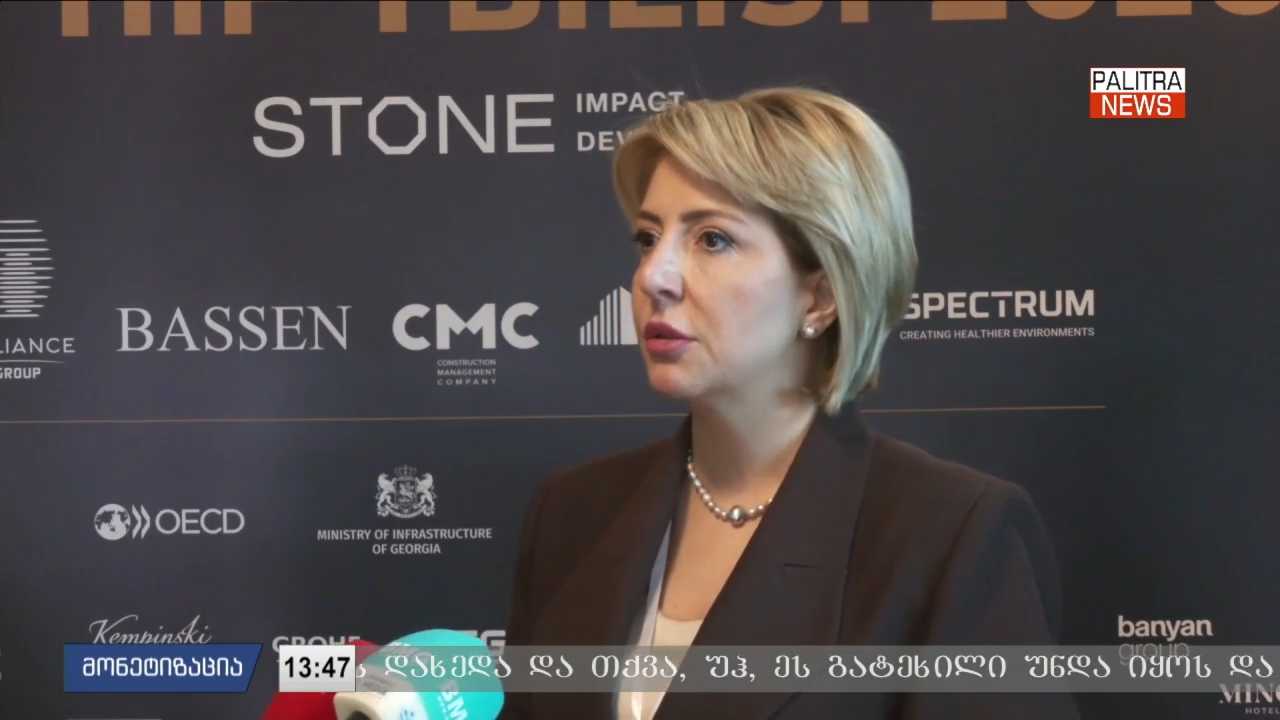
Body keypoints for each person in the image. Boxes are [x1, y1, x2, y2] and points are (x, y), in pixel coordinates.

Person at [497, 86, 1078, 719]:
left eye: (712, 239)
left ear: (820, 295)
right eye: (647, 237)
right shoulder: (572, 514)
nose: (653, 277)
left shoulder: (949, 536)